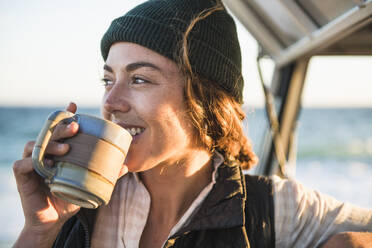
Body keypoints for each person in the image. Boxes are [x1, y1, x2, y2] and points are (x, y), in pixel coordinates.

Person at [12, 0, 372, 247]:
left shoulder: (273, 208)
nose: (110, 101)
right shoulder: (78, 206)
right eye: (109, 79)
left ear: (203, 100)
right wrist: (40, 230)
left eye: (140, 80)